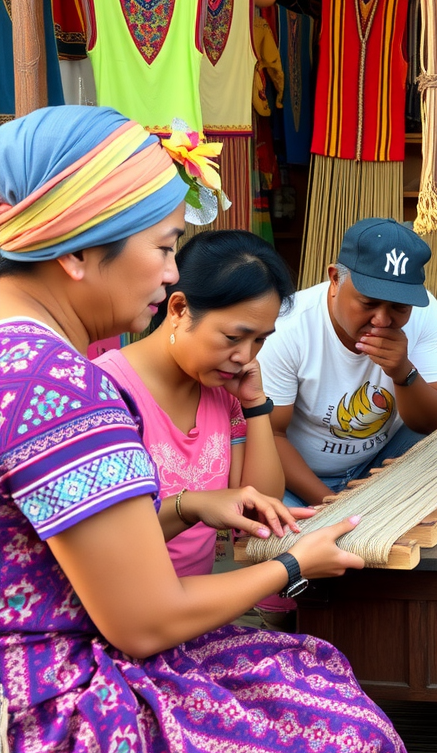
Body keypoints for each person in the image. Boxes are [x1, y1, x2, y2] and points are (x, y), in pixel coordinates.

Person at [0, 106, 435, 753]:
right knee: (357, 741)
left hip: (37, 675)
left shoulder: (23, 358)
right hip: (53, 716)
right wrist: (294, 565)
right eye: (164, 246)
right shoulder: (59, 385)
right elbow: (143, 624)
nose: (173, 269)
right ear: (75, 252)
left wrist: (188, 507)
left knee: (313, 665)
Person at [97, 229, 293, 578]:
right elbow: (106, 542)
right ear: (179, 308)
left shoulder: (224, 393)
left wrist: (255, 405)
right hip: (126, 610)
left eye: (260, 340)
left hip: (196, 604)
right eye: (233, 337)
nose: (245, 356)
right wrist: (191, 505)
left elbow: (259, 510)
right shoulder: (106, 393)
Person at [260, 218, 437, 507]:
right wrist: (334, 504)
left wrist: (403, 372)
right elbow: (271, 434)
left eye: (399, 307)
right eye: (368, 302)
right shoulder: (288, 327)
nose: (382, 320)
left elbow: (433, 422)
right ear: (335, 279)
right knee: (289, 533)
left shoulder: (425, 313)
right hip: (301, 479)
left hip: (380, 462)